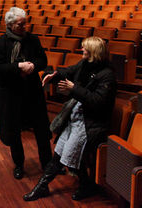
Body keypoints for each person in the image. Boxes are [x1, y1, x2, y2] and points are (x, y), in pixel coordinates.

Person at [23, 36, 117, 201]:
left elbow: (98, 102)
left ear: (93, 52)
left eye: (85, 48)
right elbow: (69, 71)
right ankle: (47, 186)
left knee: (66, 153)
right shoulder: (85, 64)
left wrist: (74, 88)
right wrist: (54, 75)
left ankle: (47, 186)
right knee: (60, 151)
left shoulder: (107, 75)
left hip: (92, 123)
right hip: (78, 117)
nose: (82, 50)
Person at [0, 7, 52, 180]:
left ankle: (47, 163)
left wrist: (33, 65)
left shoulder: (32, 40)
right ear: (10, 25)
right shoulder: (1, 43)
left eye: (25, 23)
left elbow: (43, 60)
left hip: (32, 92)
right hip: (11, 94)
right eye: (20, 24)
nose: (25, 27)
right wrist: (18, 67)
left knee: (41, 129)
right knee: (14, 131)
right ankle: (19, 165)